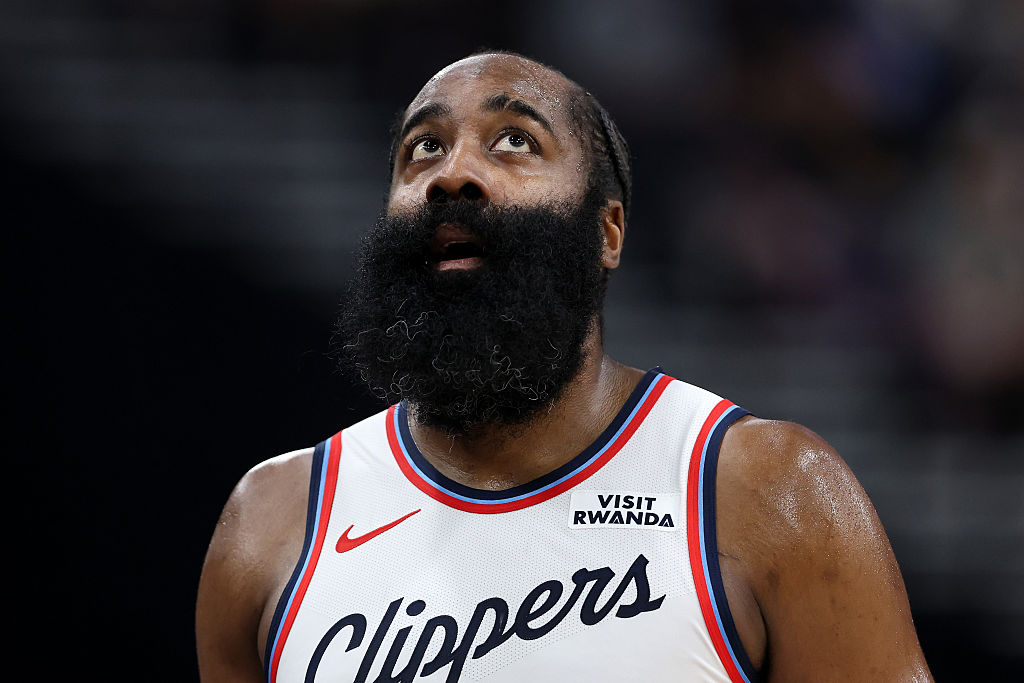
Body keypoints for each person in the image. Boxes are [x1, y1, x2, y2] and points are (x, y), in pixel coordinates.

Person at [197, 52, 932, 682]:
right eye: (423, 148)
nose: (452, 174)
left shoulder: (768, 492)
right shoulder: (271, 523)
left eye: (514, 140)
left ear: (606, 229)